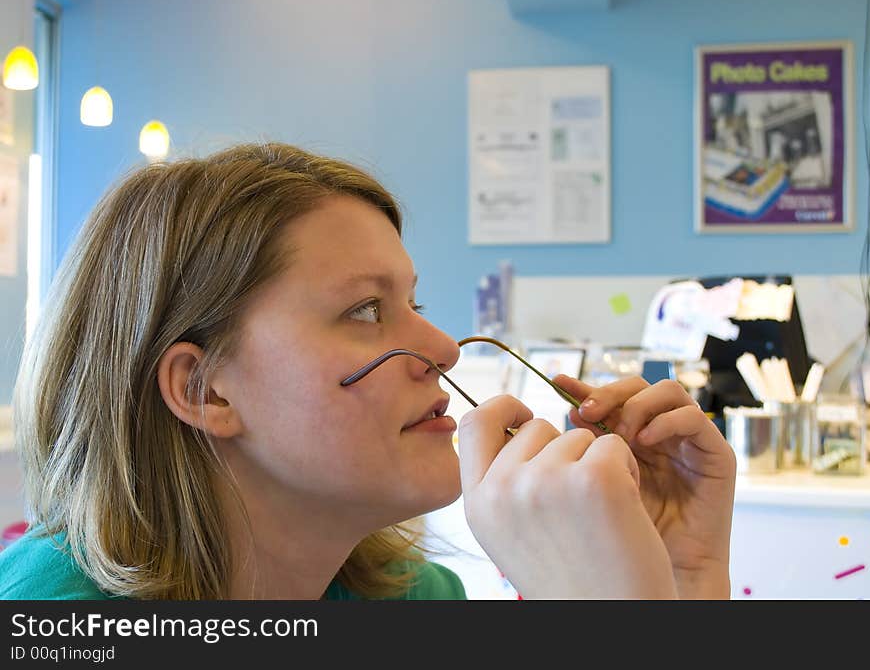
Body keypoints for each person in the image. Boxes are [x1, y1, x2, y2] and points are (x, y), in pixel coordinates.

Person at [0, 143, 735, 600]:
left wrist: (681, 583)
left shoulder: (419, 597)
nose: (445, 349)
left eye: (415, 301)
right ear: (203, 389)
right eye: (363, 310)